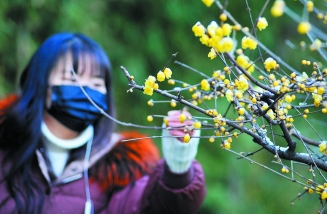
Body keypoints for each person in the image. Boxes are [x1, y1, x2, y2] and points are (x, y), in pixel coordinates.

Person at [0, 32, 206, 214]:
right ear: (40, 85)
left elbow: (156, 206)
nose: (86, 91)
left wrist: (178, 165)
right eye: (73, 80)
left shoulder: (121, 168)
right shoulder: (5, 152)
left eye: (97, 83)